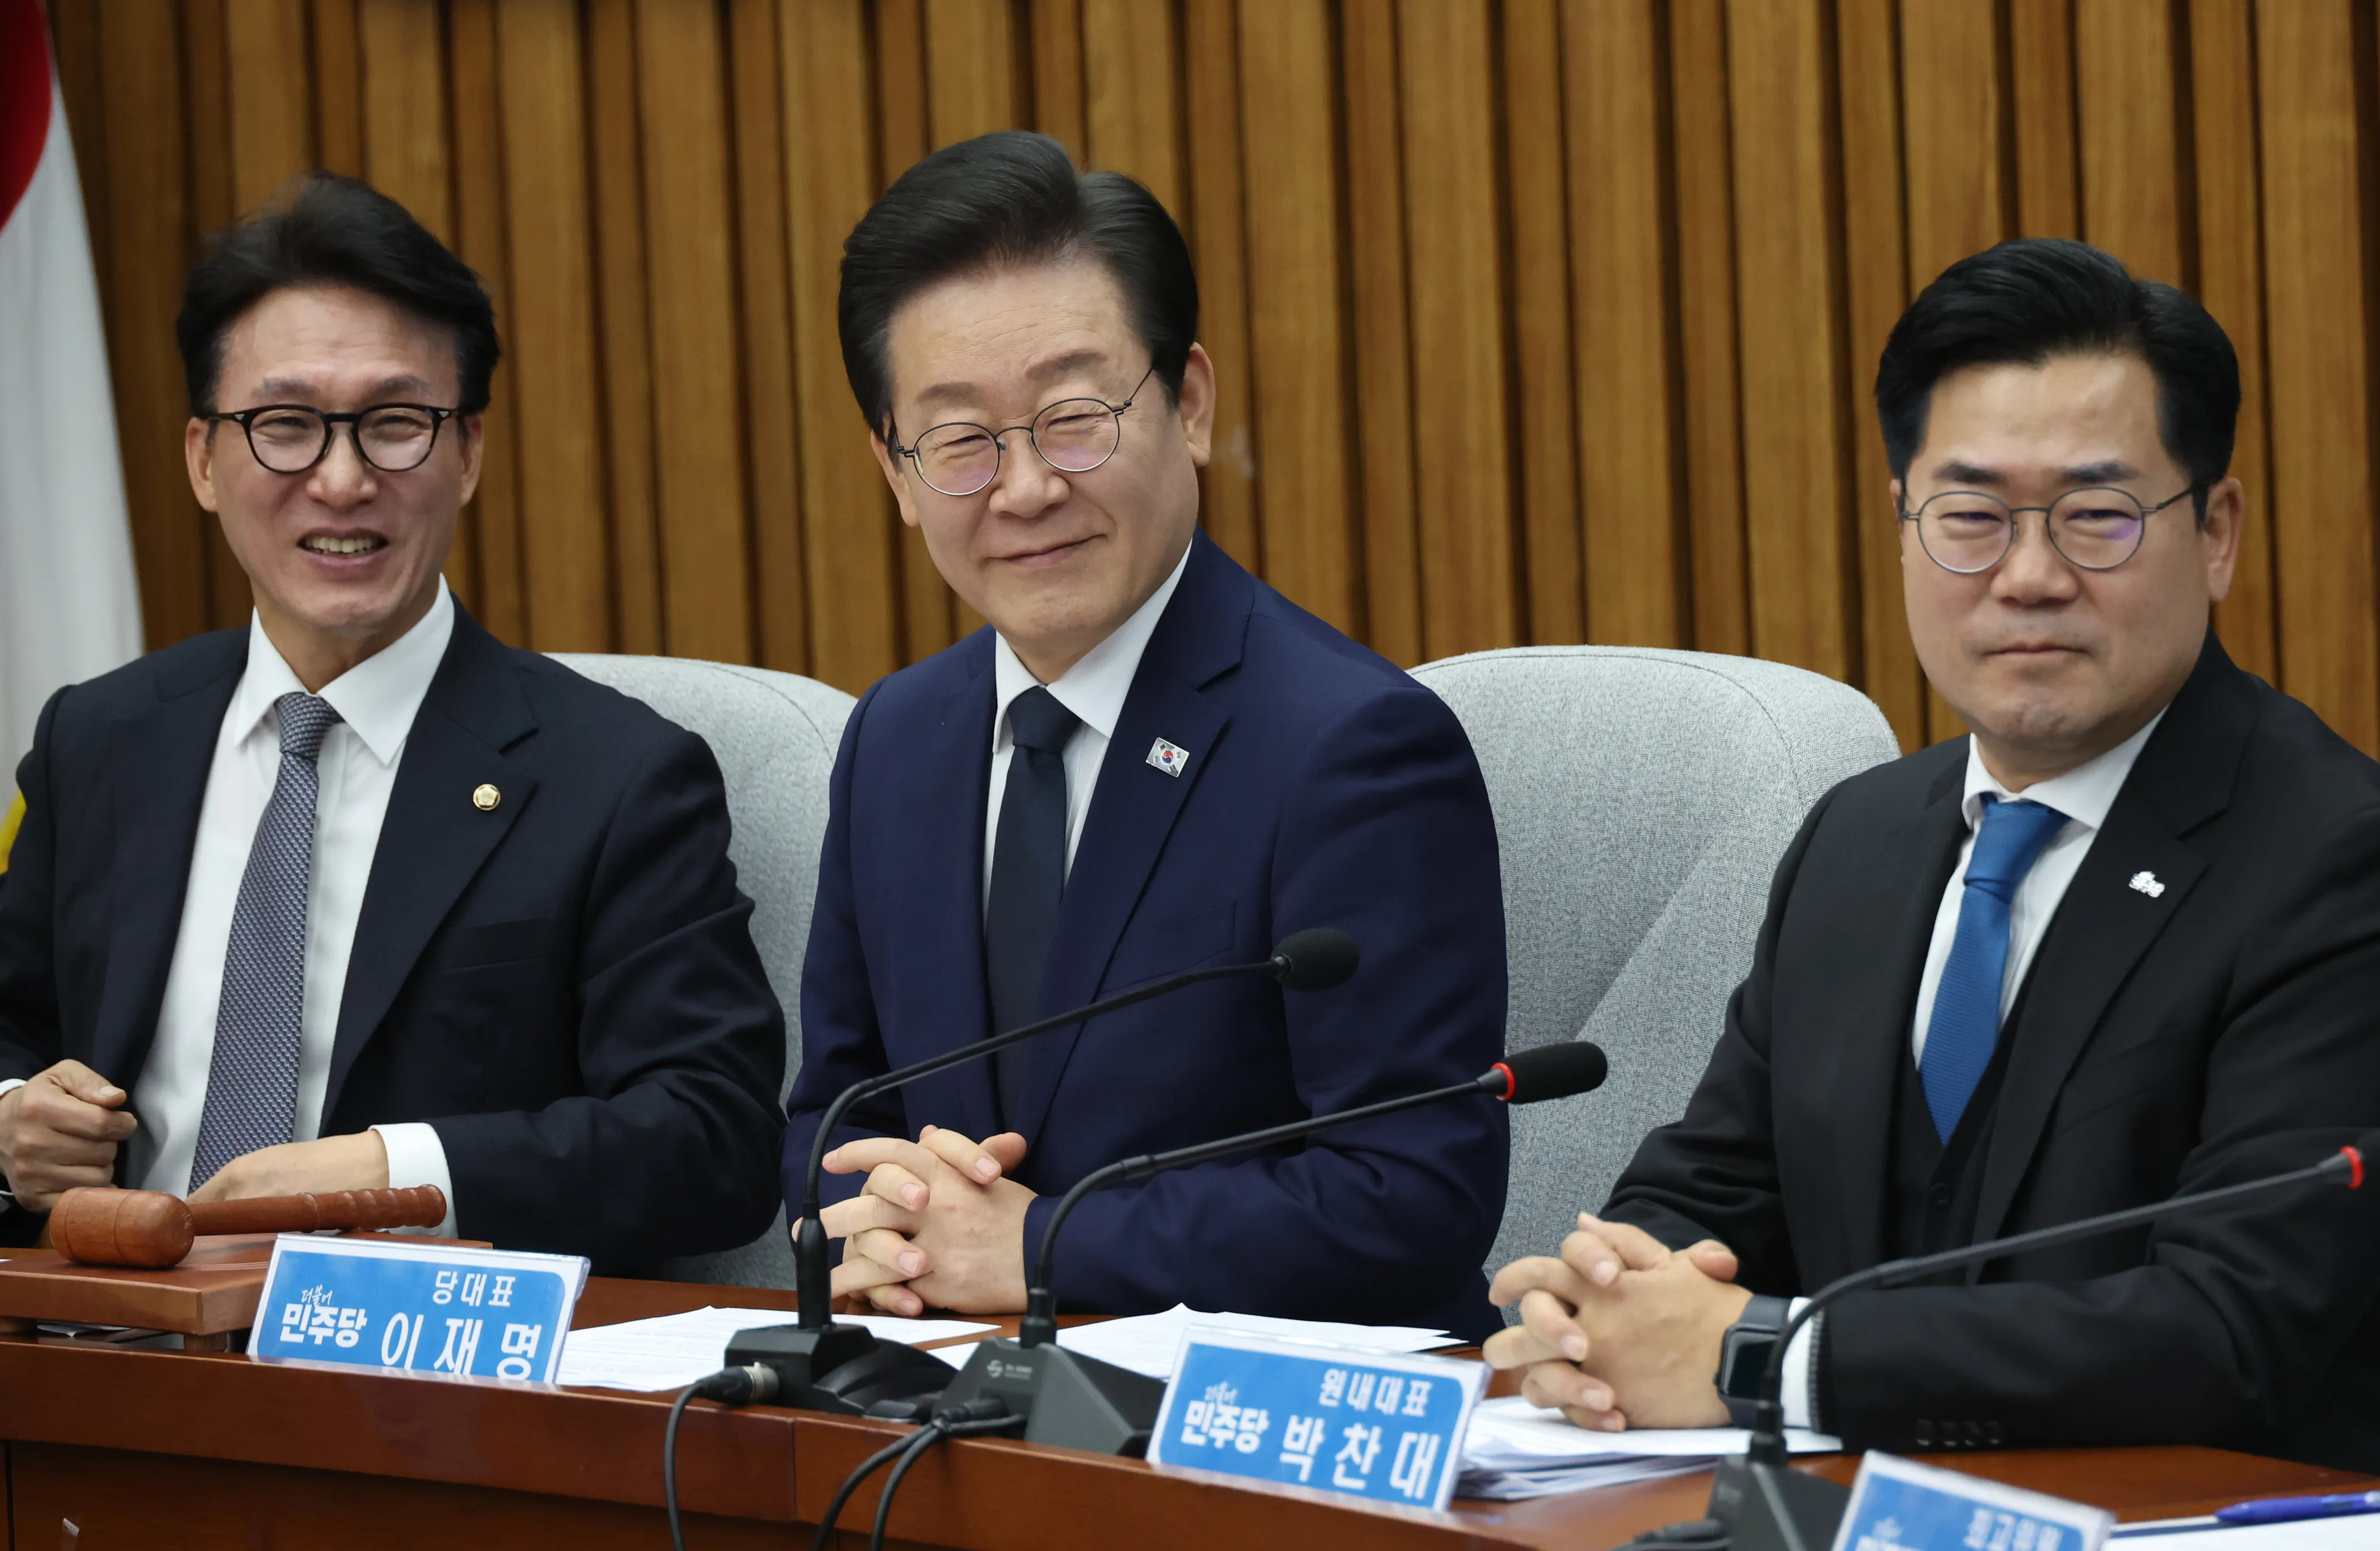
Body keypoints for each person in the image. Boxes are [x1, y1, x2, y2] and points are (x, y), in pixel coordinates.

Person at [1485, 239, 2380, 1471]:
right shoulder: (1856, 838)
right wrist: (1605, 1304)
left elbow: (2230, 1325)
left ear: (2214, 531)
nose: (2028, 577)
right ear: (1904, 528)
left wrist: (1776, 1361)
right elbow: (1715, 1187)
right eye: (1970, 517)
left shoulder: (2334, 858)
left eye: (2096, 517)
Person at [783, 131, 1508, 1337]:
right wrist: (878, 1220)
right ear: (895, 473)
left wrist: (1039, 1246)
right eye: (960, 441)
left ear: (1190, 405)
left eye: (1074, 417)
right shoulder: (897, 739)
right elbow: (834, 1117)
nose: (1024, 488)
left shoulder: (1353, 746)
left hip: (1249, 1415)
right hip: (947, 1394)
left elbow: (1410, 1195)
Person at [0, 173, 786, 1268]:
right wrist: (10, 1117)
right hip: (109, 1336)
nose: (341, 479)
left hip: (407, 1358)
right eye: (284, 426)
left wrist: (394, 1173)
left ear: (468, 454)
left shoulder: (616, 777)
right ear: (203, 462)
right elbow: (15, 1024)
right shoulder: (101, 741)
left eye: (394, 425)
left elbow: (713, 1139)